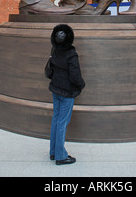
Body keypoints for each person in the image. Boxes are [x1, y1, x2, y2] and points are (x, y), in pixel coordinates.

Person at [47, 24, 85, 165]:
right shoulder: (71, 54)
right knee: (62, 123)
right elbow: (75, 76)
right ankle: (61, 156)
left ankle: (53, 152)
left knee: (56, 120)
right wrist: (81, 84)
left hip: (55, 89)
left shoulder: (55, 50)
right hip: (67, 92)